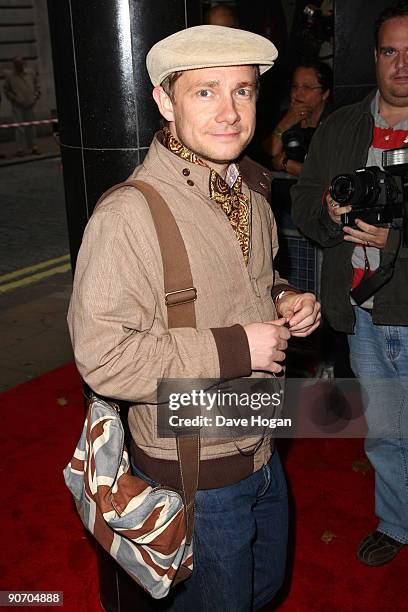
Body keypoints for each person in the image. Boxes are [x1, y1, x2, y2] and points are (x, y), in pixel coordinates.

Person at [68, 25, 321, 610]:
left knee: (263, 587)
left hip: (259, 436)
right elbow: (105, 360)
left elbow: (256, 282)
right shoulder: (129, 216)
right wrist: (240, 348)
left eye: (243, 91)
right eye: (205, 92)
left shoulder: (247, 190)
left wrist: (284, 298)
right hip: (193, 467)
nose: (229, 112)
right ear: (164, 100)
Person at [292, 0, 408, 567]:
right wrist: (331, 214)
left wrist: (396, 243)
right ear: (375, 57)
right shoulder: (342, 126)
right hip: (363, 312)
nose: (402, 65)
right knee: (385, 431)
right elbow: (305, 202)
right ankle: (396, 522)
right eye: (391, 51)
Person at [263, 60, 332, 178]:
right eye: (294, 86)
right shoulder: (287, 115)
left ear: (324, 93)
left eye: (306, 88)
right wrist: (286, 122)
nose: (297, 94)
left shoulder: (334, 123)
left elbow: (326, 173)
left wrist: (287, 164)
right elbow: (271, 152)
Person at [3, 56, 41, 157]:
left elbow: (38, 86)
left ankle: (34, 147)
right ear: (14, 65)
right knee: (19, 128)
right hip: (17, 106)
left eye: (20, 64)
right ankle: (20, 149)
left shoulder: (31, 73)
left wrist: (35, 98)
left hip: (30, 104)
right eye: (16, 64)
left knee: (31, 126)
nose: (18, 66)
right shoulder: (10, 76)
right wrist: (14, 99)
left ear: (23, 64)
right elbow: (6, 90)